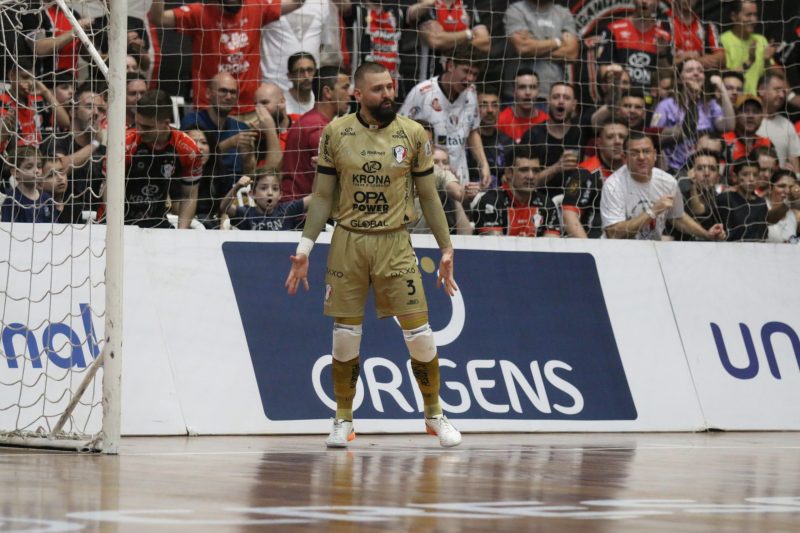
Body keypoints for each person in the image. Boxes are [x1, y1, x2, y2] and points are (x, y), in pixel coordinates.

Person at [285, 62, 462, 449]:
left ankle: (434, 414)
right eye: (378, 89)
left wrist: (446, 247)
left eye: (390, 87)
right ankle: (343, 420)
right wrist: (304, 248)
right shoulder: (336, 132)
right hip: (348, 241)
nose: (388, 94)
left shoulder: (414, 134)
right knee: (345, 338)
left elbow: (429, 196)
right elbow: (323, 197)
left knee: (420, 334)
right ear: (359, 94)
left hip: (395, 242)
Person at [148, 0, 304, 117]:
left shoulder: (255, 6)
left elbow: (297, 2)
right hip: (210, 110)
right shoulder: (199, 12)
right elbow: (158, 19)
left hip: (250, 109)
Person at [601, 132, 726, 241]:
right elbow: (613, 233)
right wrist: (652, 212)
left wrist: (706, 234)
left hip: (652, 250)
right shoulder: (613, 185)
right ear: (625, 157)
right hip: (619, 252)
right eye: (634, 153)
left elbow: (678, 217)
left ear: (655, 154)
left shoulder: (667, 181)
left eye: (646, 151)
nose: (642, 157)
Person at [399, 45, 490, 186]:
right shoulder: (422, 93)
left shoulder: (471, 93)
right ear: (450, 65)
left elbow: (473, 130)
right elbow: (399, 133)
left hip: (459, 178)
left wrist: (484, 164)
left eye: (474, 74)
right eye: (466, 71)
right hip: (427, 179)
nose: (469, 79)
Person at [180, 73, 262, 227]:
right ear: (208, 93)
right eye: (223, 91)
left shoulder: (241, 128)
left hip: (237, 199)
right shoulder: (193, 122)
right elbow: (189, 160)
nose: (228, 96)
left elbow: (250, 174)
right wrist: (229, 143)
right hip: (202, 195)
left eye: (233, 92)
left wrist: (248, 156)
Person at [123, 89, 203, 228]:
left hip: (156, 221)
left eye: (147, 127)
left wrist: (181, 233)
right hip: (117, 221)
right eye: (138, 124)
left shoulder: (187, 148)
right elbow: (108, 189)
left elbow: (189, 196)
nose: (140, 131)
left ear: (166, 123)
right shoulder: (125, 143)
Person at [651, 60, 734, 174]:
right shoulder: (666, 105)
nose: (696, 73)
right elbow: (654, 138)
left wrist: (722, 87)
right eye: (690, 70)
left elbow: (729, 125)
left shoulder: (710, 104)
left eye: (700, 71)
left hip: (704, 170)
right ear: (680, 79)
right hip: (675, 170)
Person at [281, 66, 351, 201]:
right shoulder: (318, 129)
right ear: (327, 92)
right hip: (302, 215)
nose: (350, 94)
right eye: (345, 88)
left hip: (295, 208)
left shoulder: (308, 121)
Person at [472, 144, 560, 236]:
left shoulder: (547, 204)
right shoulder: (491, 202)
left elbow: (552, 245)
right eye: (524, 170)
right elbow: (494, 246)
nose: (531, 176)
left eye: (536, 171)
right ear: (509, 173)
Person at [562, 120, 628, 238]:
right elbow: (569, 215)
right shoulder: (585, 172)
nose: (618, 141)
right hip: (594, 242)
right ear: (599, 142)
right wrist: (588, 249)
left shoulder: (635, 171)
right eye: (610, 137)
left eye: (622, 137)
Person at [519, 82, 584, 200]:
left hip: (576, 200)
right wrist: (557, 167)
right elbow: (524, 182)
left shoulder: (581, 132)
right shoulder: (532, 135)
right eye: (556, 97)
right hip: (540, 201)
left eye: (566, 98)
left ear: (574, 104)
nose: (561, 101)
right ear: (548, 101)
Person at [504, 0, 579, 98]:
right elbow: (524, 48)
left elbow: (572, 54)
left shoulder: (563, 13)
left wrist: (535, 45)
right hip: (518, 96)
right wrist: (558, 41)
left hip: (553, 97)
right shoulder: (516, 10)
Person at [595, 0, 671, 91]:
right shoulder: (613, 29)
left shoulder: (663, 36)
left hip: (650, 97)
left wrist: (662, 54)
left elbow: (667, 78)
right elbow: (603, 68)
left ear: (657, 2)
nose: (644, 2)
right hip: (621, 97)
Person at [220, 168, 309, 230]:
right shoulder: (246, 213)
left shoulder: (287, 210)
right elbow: (224, 208)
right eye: (263, 188)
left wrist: (320, 170)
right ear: (252, 194)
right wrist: (237, 187)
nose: (270, 193)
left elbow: (315, 198)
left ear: (280, 195)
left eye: (275, 189)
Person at [720, 0, 777, 95]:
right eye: (748, 15)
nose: (754, 19)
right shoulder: (723, 40)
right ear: (734, 16)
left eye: (755, 15)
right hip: (733, 101)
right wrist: (750, 61)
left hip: (757, 104)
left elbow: (770, 78)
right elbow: (726, 77)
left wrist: (767, 61)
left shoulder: (761, 40)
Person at [466, 84, 511, 194]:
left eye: (495, 105)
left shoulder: (508, 142)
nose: (490, 110)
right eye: (483, 105)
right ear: (474, 109)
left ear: (500, 109)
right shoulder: (464, 141)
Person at [671, 149, 723, 240]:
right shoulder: (678, 198)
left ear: (718, 177)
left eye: (712, 169)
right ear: (690, 173)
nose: (706, 173)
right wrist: (693, 186)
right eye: (700, 168)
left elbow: (699, 210)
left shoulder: (722, 200)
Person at [756, 72, 800, 173]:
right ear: (761, 90)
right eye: (777, 90)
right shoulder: (748, 120)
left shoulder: (787, 125)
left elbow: (794, 159)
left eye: (784, 92)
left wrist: (796, 178)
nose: (781, 95)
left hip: (777, 185)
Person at [716, 156, 768, 241]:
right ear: (735, 177)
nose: (751, 179)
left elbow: (763, 234)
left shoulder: (761, 203)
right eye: (745, 174)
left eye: (755, 175)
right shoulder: (726, 199)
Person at [1, 145, 53, 223]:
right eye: (29, 167)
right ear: (16, 172)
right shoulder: (11, 201)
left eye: (39, 166)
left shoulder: (47, 198)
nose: (36, 171)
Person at [497, 68, 549, 144]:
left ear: (538, 92)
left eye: (532, 87)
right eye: (522, 87)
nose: (527, 92)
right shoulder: (501, 121)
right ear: (514, 92)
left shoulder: (547, 120)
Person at [723, 94, 772, 163]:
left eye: (755, 112)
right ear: (736, 114)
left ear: (762, 117)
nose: (750, 116)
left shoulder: (767, 143)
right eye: (745, 111)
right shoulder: (725, 141)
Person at [765, 168, 800, 243]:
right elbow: (770, 218)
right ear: (770, 188)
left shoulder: (795, 215)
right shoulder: (761, 207)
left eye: (791, 187)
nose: (787, 191)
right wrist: (788, 202)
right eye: (782, 186)